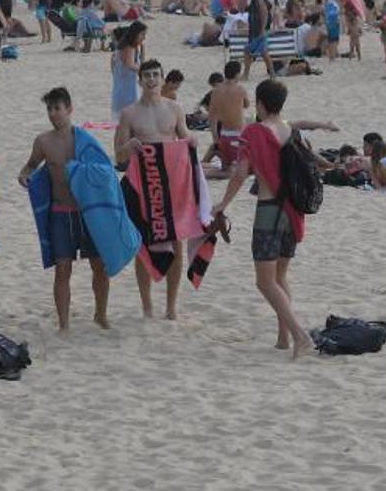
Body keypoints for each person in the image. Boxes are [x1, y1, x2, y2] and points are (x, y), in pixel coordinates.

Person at [211, 79, 312, 358]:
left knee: (265, 281)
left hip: (269, 210)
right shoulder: (292, 130)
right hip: (294, 211)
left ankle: (300, 335)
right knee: (280, 276)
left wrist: (223, 203)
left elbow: (242, 172)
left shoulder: (254, 131)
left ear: (260, 103)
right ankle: (284, 339)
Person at [17, 87, 110, 333]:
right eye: (50, 109)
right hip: (60, 212)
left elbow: (105, 172)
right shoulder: (43, 142)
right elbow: (29, 167)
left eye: (58, 108)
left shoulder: (86, 140)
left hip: (87, 212)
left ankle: (100, 314)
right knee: (63, 269)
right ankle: (64, 324)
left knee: (99, 265)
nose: (53, 114)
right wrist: (24, 177)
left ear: (69, 109)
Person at [114, 59, 192, 320]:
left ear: (161, 78)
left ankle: (171, 305)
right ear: (140, 81)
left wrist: (191, 142)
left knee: (177, 242)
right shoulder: (129, 113)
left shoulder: (175, 108)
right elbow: (118, 155)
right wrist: (130, 146)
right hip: (142, 185)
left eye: (156, 75)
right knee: (143, 245)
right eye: (147, 75)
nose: (151, 80)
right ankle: (147, 305)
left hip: (171, 183)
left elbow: (184, 136)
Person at [205, 61, 250, 179]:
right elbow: (246, 105)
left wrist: (215, 138)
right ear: (237, 74)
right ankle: (204, 174)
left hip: (224, 134)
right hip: (239, 135)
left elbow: (211, 116)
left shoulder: (215, 91)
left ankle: (203, 170)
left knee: (225, 166)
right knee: (236, 171)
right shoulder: (240, 89)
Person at [110, 22, 146, 120]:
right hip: (127, 90)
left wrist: (142, 51)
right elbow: (129, 65)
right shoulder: (129, 48)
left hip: (123, 87)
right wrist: (144, 70)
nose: (144, 37)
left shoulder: (123, 48)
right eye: (142, 34)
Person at [241, 0, 275, 80]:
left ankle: (246, 75)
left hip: (258, 31)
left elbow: (264, 13)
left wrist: (262, 29)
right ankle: (272, 74)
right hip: (255, 30)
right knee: (263, 53)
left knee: (249, 51)